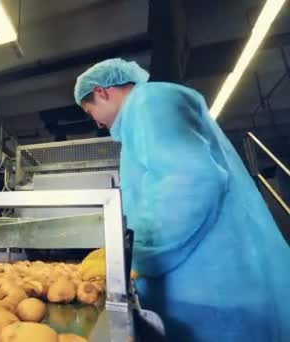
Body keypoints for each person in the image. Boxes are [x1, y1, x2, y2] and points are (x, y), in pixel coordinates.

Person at [73, 58, 290, 341]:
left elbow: (188, 181)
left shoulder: (149, 103)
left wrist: (137, 256)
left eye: (92, 112)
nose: (98, 123)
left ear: (102, 92)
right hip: (207, 289)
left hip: (214, 290)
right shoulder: (142, 116)